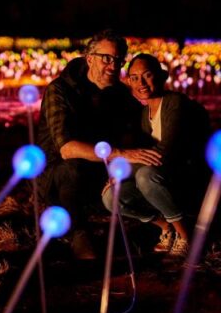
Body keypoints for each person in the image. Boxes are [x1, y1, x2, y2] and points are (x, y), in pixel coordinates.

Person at [37, 30, 162, 259]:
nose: (113, 66)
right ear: (90, 58)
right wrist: (121, 154)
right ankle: (78, 234)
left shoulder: (121, 95)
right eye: (106, 58)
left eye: (118, 60)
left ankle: (162, 223)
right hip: (57, 175)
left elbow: (139, 132)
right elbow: (66, 148)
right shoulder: (60, 91)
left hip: (100, 171)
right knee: (71, 168)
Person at [102, 53, 210, 256]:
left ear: (161, 77)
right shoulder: (145, 113)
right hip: (161, 179)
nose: (140, 83)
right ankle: (166, 227)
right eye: (134, 78)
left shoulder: (176, 103)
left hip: (188, 179)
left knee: (144, 175)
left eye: (147, 75)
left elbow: (163, 154)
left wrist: (122, 171)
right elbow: (144, 156)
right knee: (111, 197)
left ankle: (186, 235)